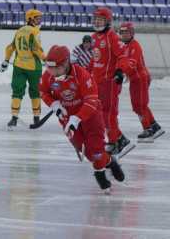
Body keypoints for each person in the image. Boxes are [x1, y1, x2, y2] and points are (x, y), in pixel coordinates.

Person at [40, 45, 125, 192]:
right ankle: (108, 160)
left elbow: (91, 100)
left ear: (66, 64)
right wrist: (54, 105)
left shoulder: (82, 75)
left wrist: (77, 118)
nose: (52, 72)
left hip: (90, 116)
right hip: (68, 118)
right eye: (49, 68)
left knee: (96, 151)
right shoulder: (48, 76)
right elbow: (43, 92)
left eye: (56, 69)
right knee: (86, 152)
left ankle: (101, 170)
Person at [90, 7, 131, 154]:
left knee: (109, 113)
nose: (97, 22)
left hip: (110, 82)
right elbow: (94, 60)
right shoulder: (94, 37)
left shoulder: (112, 36)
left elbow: (123, 55)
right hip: (97, 82)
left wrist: (120, 71)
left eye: (100, 20)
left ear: (107, 21)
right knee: (100, 113)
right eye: (95, 19)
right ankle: (120, 138)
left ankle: (114, 142)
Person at [115, 22, 164, 142]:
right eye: (122, 32)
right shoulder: (123, 46)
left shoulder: (134, 46)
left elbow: (132, 63)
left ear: (132, 33)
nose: (124, 35)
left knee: (139, 105)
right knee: (139, 105)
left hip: (140, 78)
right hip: (135, 79)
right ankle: (154, 126)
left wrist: (123, 72)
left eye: (127, 32)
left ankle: (148, 129)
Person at [1, 9, 45, 129]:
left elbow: (11, 47)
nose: (39, 20)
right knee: (35, 92)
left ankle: (14, 118)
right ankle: (36, 118)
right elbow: (36, 49)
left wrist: (6, 60)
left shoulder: (19, 31)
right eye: (37, 18)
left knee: (17, 92)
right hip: (33, 67)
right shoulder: (35, 31)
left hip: (19, 66)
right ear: (30, 18)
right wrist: (46, 59)